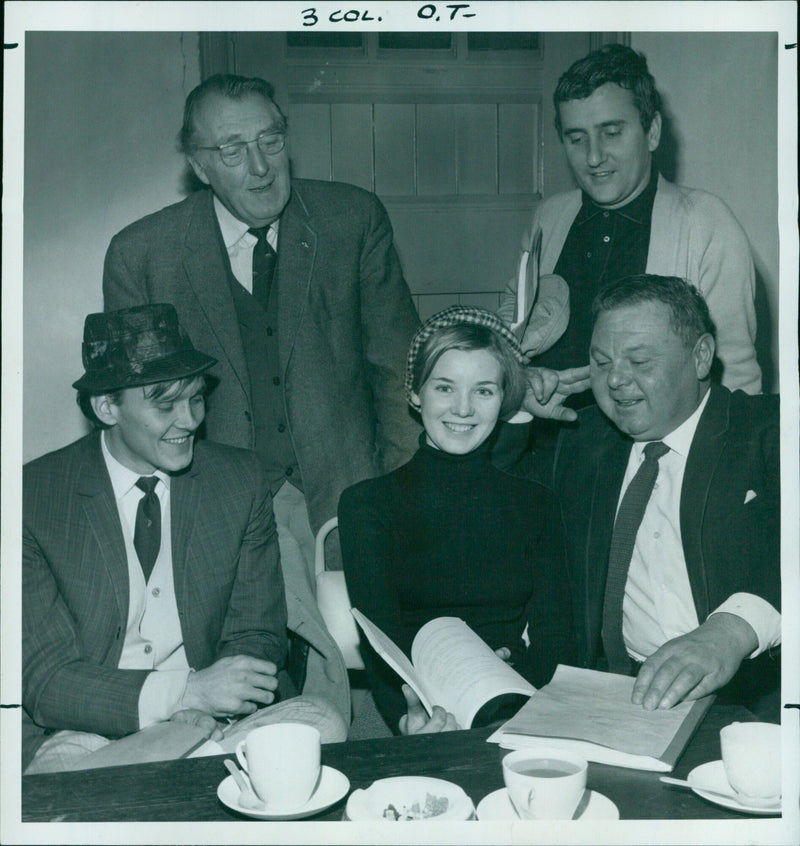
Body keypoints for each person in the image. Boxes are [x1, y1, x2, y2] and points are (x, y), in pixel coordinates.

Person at [102, 74, 423, 725]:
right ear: (198, 165)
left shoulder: (350, 221)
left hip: (344, 493)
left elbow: (398, 372)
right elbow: (145, 417)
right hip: (222, 510)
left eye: (270, 140)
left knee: (374, 690)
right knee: (247, 698)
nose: (259, 166)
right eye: (232, 149)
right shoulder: (142, 255)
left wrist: (401, 495)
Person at [22, 304, 347, 774]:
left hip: (211, 722)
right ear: (106, 406)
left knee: (323, 721)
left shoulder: (241, 480)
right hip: (87, 730)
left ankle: (135, 785)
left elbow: (255, 632)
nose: (191, 419)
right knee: (56, 772)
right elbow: (47, 681)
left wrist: (214, 705)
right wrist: (182, 694)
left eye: (196, 398)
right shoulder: (33, 498)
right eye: (165, 403)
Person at [540, 275, 779, 717]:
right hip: (613, 697)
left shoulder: (770, 430)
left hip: (748, 701)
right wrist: (514, 404)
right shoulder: (579, 439)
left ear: (701, 356)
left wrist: (731, 629)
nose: (614, 379)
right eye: (600, 361)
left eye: (639, 360)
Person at [338, 307, 577, 735]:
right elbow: (382, 646)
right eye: (445, 387)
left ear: (504, 399)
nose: (463, 409)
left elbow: (556, 636)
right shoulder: (367, 505)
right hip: (422, 708)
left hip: (519, 699)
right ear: (415, 394)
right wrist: (408, 717)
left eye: (483, 391)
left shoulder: (535, 502)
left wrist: (519, 696)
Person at [499, 43, 761, 409]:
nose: (593, 157)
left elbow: (737, 375)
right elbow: (511, 330)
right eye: (577, 138)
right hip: (547, 446)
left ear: (652, 132)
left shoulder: (707, 223)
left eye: (611, 133)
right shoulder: (549, 217)